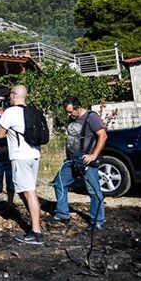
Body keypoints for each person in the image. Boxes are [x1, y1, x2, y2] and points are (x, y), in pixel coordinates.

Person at [49, 96, 106, 229]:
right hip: (71, 160)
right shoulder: (72, 118)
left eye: (70, 112)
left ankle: (97, 221)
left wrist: (93, 155)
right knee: (59, 183)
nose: (69, 115)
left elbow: (103, 136)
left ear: (78, 107)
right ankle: (62, 214)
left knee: (94, 191)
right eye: (67, 112)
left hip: (85, 159)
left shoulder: (92, 117)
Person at [0, 85, 44, 245]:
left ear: (15, 94)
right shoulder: (33, 111)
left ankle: (36, 233)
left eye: (10, 94)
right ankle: (36, 224)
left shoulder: (10, 112)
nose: (9, 97)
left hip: (20, 156)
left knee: (29, 193)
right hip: (34, 155)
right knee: (29, 191)